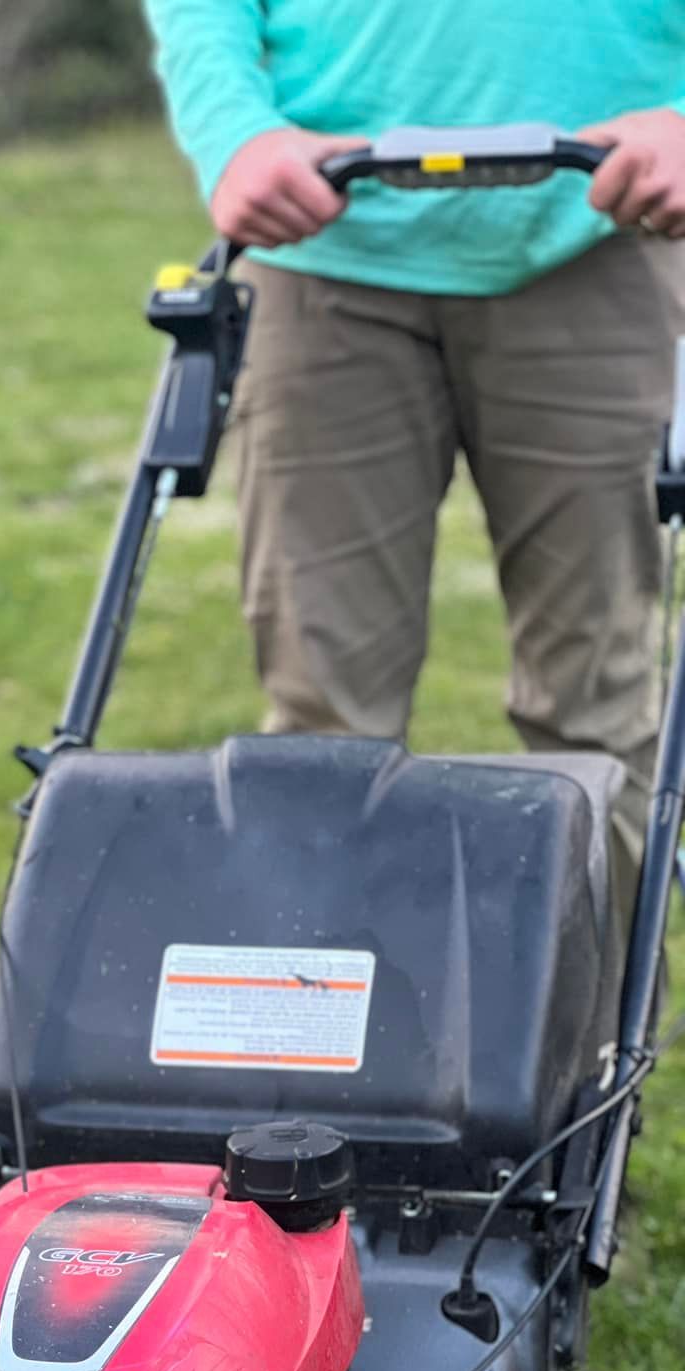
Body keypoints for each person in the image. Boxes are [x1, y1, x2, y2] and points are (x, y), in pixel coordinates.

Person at [145, 2, 685, 899]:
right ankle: (327, 1019)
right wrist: (236, 133)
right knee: (322, 721)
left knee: (601, 708)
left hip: (605, 232)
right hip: (322, 238)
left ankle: (591, 1035)